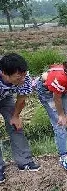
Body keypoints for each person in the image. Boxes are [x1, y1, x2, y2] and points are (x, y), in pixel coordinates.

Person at [0, 53, 40, 183]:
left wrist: (15, 116)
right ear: (4, 73)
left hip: (5, 97)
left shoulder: (25, 77)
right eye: (18, 77)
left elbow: (21, 98)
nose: (22, 79)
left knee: (15, 126)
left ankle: (25, 161)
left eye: (24, 74)